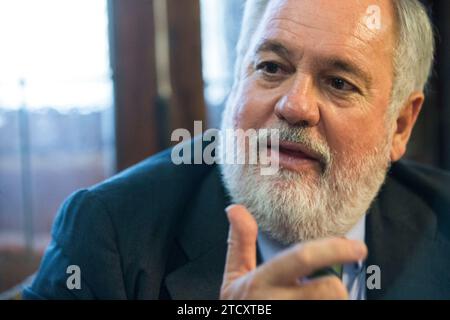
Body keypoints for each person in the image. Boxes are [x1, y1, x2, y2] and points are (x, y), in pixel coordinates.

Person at [24, 0, 450, 300]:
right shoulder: (107, 234)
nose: (295, 106)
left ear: (400, 125)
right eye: (271, 67)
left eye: (339, 82)